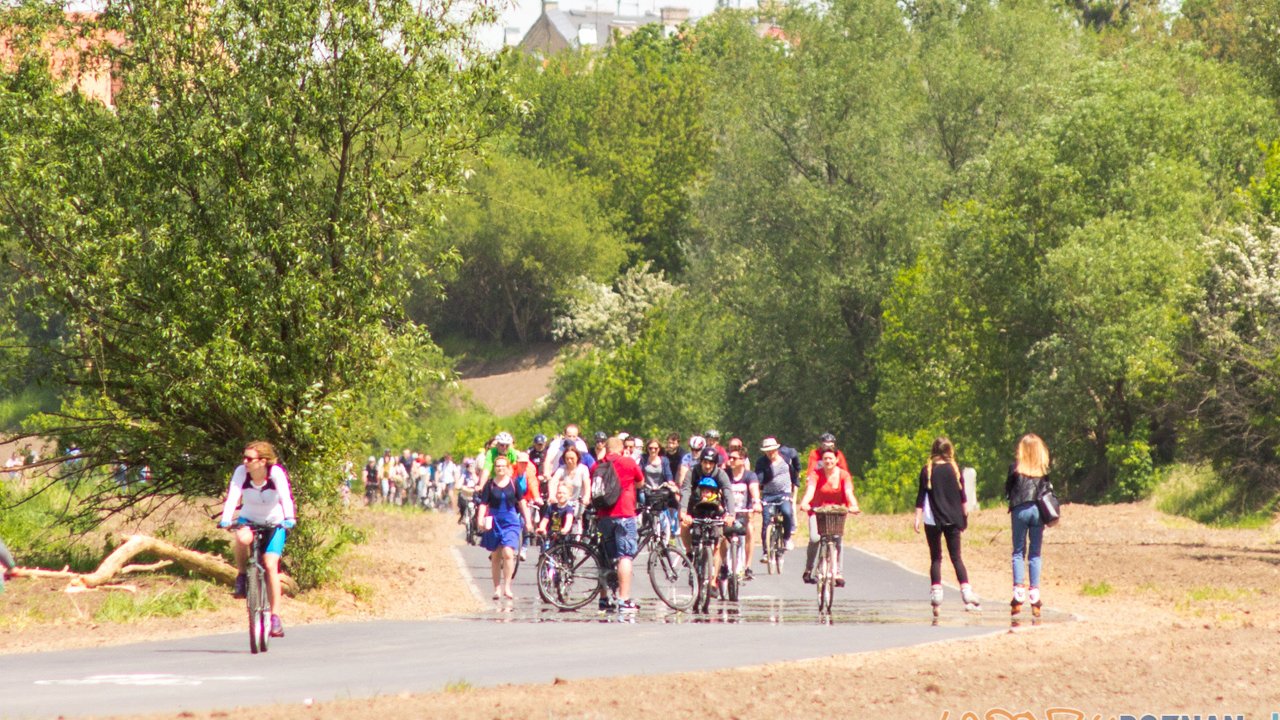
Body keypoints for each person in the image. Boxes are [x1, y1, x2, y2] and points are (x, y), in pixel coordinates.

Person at [218, 440, 297, 639]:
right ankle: (243, 574)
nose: (245, 461)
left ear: (263, 461)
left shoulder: (275, 473)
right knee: (241, 538)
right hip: (249, 518)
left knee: (271, 565)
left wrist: (289, 518)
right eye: (244, 457)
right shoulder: (241, 473)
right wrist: (226, 519)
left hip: (274, 523)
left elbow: (286, 497)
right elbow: (233, 495)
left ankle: (275, 617)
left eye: (249, 458)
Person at [913, 437, 979, 612]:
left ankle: (936, 594)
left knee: (936, 557)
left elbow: (921, 497)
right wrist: (964, 517)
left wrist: (917, 518)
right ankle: (966, 592)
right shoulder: (954, 469)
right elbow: (963, 498)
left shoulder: (926, 470)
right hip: (952, 518)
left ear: (933, 451)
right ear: (949, 450)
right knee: (956, 557)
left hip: (931, 518)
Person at [595, 436, 644, 611]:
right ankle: (624, 600)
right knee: (625, 555)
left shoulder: (598, 465)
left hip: (603, 516)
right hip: (623, 513)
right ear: (622, 449)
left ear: (606, 449)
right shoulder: (629, 463)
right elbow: (640, 482)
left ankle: (603, 598)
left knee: (606, 556)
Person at [798, 447, 859, 586]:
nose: (828, 461)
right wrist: (805, 502)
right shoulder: (816, 474)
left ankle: (837, 572)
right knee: (815, 538)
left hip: (836, 512)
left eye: (831, 458)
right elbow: (810, 490)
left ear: (836, 460)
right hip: (818, 511)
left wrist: (854, 505)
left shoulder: (844, 475)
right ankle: (809, 568)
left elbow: (849, 492)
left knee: (837, 539)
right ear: (822, 461)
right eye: (825, 458)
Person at [1006, 433, 1051, 617]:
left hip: (1020, 509)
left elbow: (1008, 490)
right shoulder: (1043, 471)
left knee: (1018, 551)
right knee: (1035, 553)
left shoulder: (1014, 469)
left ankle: (1018, 596)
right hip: (1038, 512)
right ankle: (1035, 597)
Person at [679, 447, 737, 587]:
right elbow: (686, 491)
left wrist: (731, 514)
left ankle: (713, 579)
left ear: (715, 463)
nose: (707, 466)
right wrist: (683, 512)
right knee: (684, 526)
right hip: (695, 508)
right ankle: (689, 553)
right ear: (701, 461)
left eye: (711, 463)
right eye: (705, 462)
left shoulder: (721, 474)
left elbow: (728, 493)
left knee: (721, 540)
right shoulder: (692, 472)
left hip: (715, 510)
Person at [476, 455, 525, 599]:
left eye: (503, 466)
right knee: (496, 555)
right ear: (494, 468)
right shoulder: (490, 484)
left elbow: (521, 502)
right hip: (494, 521)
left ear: (508, 467)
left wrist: (528, 520)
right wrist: (480, 519)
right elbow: (483, 503)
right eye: (498, 466)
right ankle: (497, 588)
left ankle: (507, 587)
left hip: (510, 521)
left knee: (508, 553)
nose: (500, 468)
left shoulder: (514, 483)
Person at [754, 437, 801, 560]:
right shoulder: (761, 463)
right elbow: (758, 478)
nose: (770, 453)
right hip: (768, 495)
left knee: (786, 512)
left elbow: (795, 455)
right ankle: (766, 552)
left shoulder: (786, 455)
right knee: (766, 521)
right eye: (767, 451)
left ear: (777, 449)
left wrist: (797, 471)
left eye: (772, 450)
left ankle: (786, 538)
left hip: (784, 492)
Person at [725, 447, 761, 581]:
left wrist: (756, 502)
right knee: (721, 535)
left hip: (743, 513)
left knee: (750, 530)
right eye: (730, 458)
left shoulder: (749, 475)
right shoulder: (725, 474)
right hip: (727, 514)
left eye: (734, 458)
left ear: (743, 460)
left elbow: (754, 489)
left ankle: (747, 566)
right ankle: (723, 564)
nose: (731, 461)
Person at [549, 444, 591, 533]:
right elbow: (553, 481)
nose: (569, 461)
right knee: (556, 516)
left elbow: (587, 484)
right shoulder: (562, 469)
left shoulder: (583, 469)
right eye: (567, 458)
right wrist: (552, 495)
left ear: (577, 458)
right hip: (564, 501)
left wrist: (586, 497)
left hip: (577, 502)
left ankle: (576, 539)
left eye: (572, 458)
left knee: (577, 523)